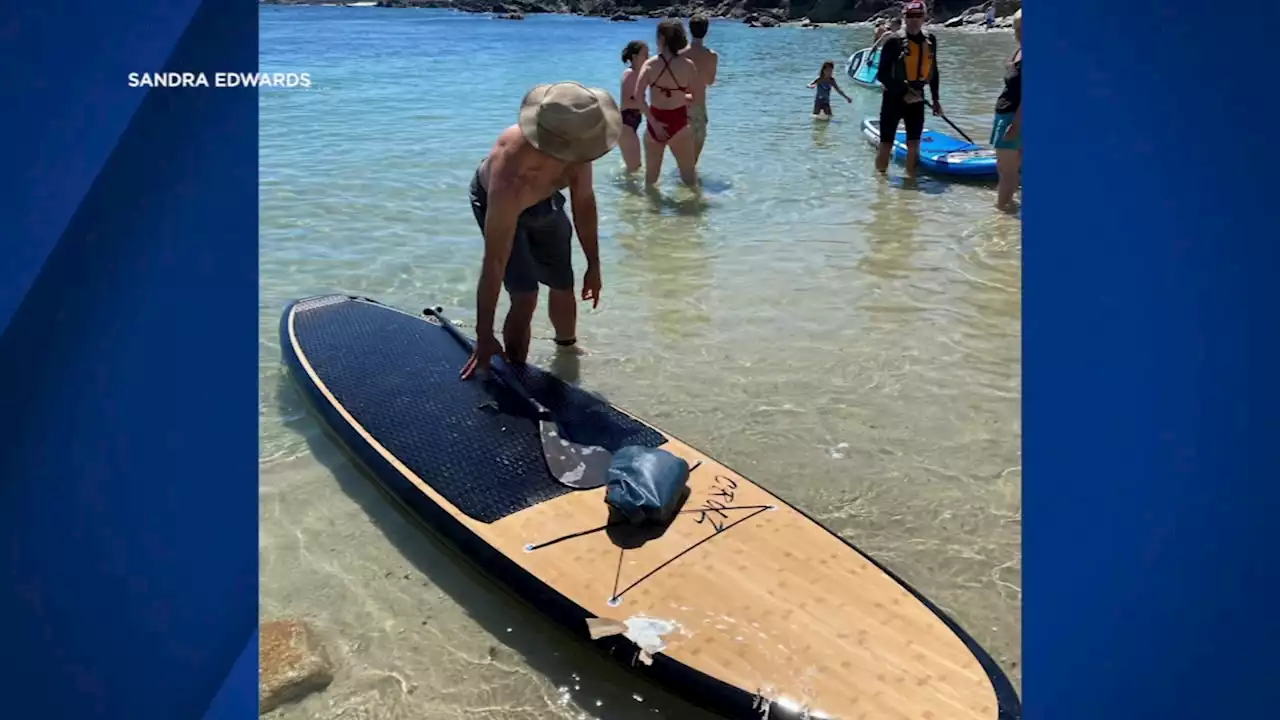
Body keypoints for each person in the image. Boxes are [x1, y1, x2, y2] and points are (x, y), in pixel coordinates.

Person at [461, 82, 620, 380]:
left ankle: (567, 350)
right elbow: (494, 262)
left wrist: (594, 264)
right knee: (525, 295)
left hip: (544, 200)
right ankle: (517, 370)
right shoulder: (511, 177)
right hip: (498, 201)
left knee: (562, 282)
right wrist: (484, 334)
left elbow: (584, 203)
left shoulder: (576, 147)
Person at [874, 0, 943, 180]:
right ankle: (880, 185)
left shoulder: (930, 40)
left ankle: (911, 183)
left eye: (918, 16)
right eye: (910, 16)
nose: (914, 20)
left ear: (924, 18)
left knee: (914, 144)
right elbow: (882, 74)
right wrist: (903, 93)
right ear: (904, 17)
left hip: (918, 98)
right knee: (886, 143)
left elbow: (933, 71)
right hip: (893, 99)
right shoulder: (893, 41)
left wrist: (936, 100)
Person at [633, 19, 706, 188]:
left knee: (651, 180)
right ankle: (693, 212)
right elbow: (699, 97)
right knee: (689, 178)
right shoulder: (687, 65)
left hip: (655, 122)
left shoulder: (650, 64)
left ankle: (650, 213)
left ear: (662, 39)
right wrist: (682, 97)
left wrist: (655, 124)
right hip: (679, 122)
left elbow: (638, 97)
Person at [992, 9, 1021, 210]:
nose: (1019, 32)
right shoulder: (1020, 50)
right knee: (1008, 167)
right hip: (1007, 114)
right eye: (1016, 28)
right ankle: (1009, 204)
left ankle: (1002, 213)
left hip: (1013, 117)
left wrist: (1016, 125)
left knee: (1006, 169)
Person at [682, 14, 719, 165]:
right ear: (706, 31)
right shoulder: (712, 56)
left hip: (681, 103)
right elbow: (710, 81)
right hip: (699, 102)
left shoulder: (680, 54)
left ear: (689, 30)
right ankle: (689, 182)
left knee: (682, 148)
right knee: (694, 155)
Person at [618, 40, 649, 173]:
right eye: (645, 54)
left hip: (632, 123)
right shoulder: (630, 74)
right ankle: (629, 192)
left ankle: (629, 190)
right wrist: (648, 108)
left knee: (634, 167)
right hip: (625, 124)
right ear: (635, 57)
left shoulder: (640, 74)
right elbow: (626, 102)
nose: (648, 57)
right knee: (635, 167)